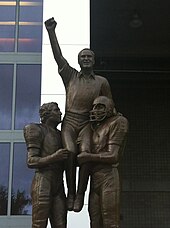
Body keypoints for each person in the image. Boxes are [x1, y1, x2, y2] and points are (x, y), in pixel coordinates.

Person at [45, 17, 113, 211]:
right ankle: (71, 193)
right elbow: (58, 56)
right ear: (78, 61)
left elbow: (109, 104)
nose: (86, 59)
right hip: (70, 121)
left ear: (94, 60)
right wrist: (51, 32)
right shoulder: (71, 76)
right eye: (82, 57)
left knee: (84, 155)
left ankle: (81, 193)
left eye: (89, 57)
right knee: (70, 152)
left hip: (87, 124)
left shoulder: (101, 81)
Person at [77, 96, 128, 228]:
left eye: (100, 106)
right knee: (95, 221)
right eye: (94, 107)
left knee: (110, 220)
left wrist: (88, 156)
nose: (95, 110)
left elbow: (113, 155)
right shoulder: (93, 128)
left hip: (108, 177)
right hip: (94, 179)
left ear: (109, 108)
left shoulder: (118, 122)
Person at [23, 102, 69, 228]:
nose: (60, 113)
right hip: (43, 180)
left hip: (59, 183)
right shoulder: (35, 129)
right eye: (56, 110)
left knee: (61, 224)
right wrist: (55, 157)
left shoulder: (62, 135)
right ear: (47, 114)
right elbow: (31, 161)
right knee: (39, 223)